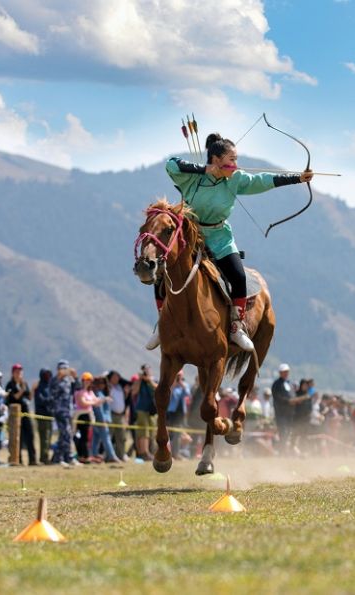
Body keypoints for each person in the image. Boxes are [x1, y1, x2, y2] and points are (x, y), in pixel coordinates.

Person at [145, 134, 314, 351]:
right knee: (162, 273)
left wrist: (298, 178)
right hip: (190, 236)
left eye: (236, 160)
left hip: (219, 237)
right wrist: (205, 170)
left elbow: (263, 180)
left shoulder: (236, 179)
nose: (235, 165)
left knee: (238, 275)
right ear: (215, 160)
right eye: (231, 160)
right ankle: (163, 324)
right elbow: (171, 164)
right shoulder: (192, 178)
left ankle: (235, 326)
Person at [4, 363, 36, 465]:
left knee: (30, 435)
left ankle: (33, 460)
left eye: (20, 371)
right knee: (18, 438)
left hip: (25, 412)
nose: (19, 374)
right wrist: (22, 389)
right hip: (15, 415)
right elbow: (15, 397)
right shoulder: (10, 385)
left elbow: (29, 398)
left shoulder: (24, 383)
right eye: (17, 372)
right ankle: (18, 460)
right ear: (13, 373)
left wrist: (32, 389)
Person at [49, 360, 78, 466]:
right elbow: (52, 394)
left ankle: (60, 457)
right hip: (59, 411)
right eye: (62, 368)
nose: (64, 371)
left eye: (66, 368)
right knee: (65, 433)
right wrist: (60, 378)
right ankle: (65, 457)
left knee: (66, 435)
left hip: (68, 411)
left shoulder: (69, 380)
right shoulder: (54, 380)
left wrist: (75, 378)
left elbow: (76, 389)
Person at [73, 372, 101, 463]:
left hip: (89, 416)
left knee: (87, 437)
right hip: (81, 416)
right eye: (87, 380)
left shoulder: (90, 392)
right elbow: (83, 403)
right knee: (82, 436)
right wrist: (93, 402)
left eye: (90, 380)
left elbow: (97, 401)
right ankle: (83, 456)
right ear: (83, 381)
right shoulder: (79, 392)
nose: (88, 382)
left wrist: (103, 400)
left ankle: (86, 455)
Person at [131, 364, 157, 460]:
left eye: (147, 370)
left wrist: (149, 380)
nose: (146, 372)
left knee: (151, 432)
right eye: (144, 370)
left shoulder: (154, 380)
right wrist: (140, 379)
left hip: (152, 410)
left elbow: (158, 388)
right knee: (143, 432)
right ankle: (144, 452)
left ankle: (150, 451)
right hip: (141, 409)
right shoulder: (140, 381)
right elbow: (134, 391)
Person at [271, 363, 296, 453]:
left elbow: (293, 395)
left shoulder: (290, 384)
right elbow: (277, 397)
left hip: (290, 413)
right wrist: (288, 401)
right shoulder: (276, 384)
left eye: (287, 371)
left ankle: (286, 451)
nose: (286, 373)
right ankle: (283, 451)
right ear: (280, 372)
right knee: (283, 432)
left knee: (288, 432)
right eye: (284, 372)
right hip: (281, 413)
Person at [32, 369, 54, 464]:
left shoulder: (50, 386)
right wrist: (50, 400)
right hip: (42, 415)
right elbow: (41, 400)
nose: (47, 377)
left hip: (50, 415)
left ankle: (46, 456)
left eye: (49, 375)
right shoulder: (39, 386)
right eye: (46, 375)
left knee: (49, 437)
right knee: (44, 438)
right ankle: (43, 457)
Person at [167, 370, 190, 459]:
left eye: (179, 375)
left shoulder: (184, 385)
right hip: (172, 412)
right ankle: (170, 454)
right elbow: (168, 394)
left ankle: (175, 453)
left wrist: (180, 383)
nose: (178, 376)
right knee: (171, 434)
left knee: (177, 434)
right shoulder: (171, 385)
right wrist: (173, 385)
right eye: (177, 375)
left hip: (180, 414)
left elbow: (188, 394)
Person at [106, 370, 128, 460]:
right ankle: (108, 455)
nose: (116, 378)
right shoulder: (108, 387)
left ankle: (121, 455)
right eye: (114, 377)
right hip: (111, 414)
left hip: (120, 416)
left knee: (122, 437)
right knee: (109, 436)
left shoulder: (120, 387)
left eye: (118, 377)